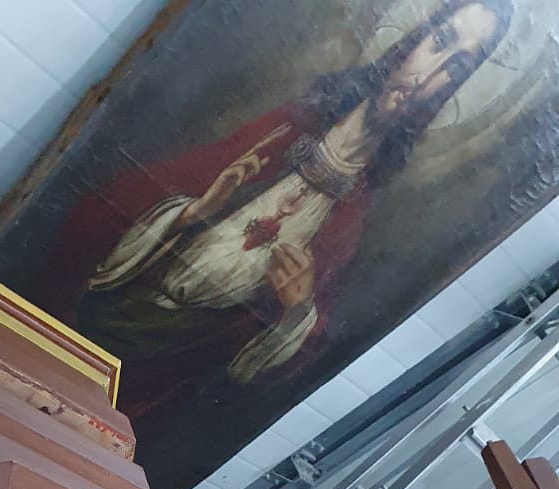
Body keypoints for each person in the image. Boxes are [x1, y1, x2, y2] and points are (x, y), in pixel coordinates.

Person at [75, 0, 512, 410]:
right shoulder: (291, 125)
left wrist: (296, 308)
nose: (427, 76)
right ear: (412, 40)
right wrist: (192, 213)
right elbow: (114, 200)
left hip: (164, 374)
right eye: (439, 43)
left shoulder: (356, 209)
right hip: (104, 311)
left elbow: (285, 359)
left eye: (456, 69)